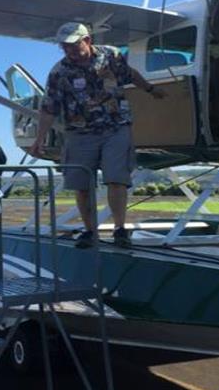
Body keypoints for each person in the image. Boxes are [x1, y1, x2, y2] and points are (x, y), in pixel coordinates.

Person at [29, 22, 165, 248]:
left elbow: (130, 74)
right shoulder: (58, 72)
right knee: (81, 183)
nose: (69, 50)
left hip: (116, 126)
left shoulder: (111, 55)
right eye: (64, 46)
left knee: (116, 179)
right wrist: (39, 138)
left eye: (73, 45)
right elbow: (49, 108)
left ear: (87, 40)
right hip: (80, 132)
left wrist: (150, 89)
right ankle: (90, 231)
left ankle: (120, 229)